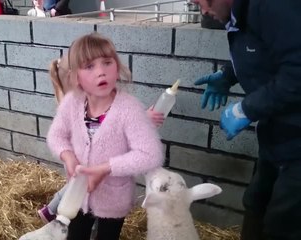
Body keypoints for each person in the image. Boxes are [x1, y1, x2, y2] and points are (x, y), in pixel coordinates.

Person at [191, 0, 301, 239]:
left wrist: (246, 109)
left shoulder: (272, 6)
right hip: (278, 132)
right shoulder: (243, 13)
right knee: (255, 203)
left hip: (296, 137)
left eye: (203, 2)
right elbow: (265, 51)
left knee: (284, 222)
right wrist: (228, 75)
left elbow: (297, 70)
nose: (204, 11)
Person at [46, 33, 164, 240]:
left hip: (114, 198)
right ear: (76, 77)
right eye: (89, 66)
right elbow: (56, 135)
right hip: (77, 195)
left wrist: (105, 168)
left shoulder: (129, 109)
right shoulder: (72, 103)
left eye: (107, 63)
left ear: (117, 67)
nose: (101, 72)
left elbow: (150, 154)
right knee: (75, 236)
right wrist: (68, 156)